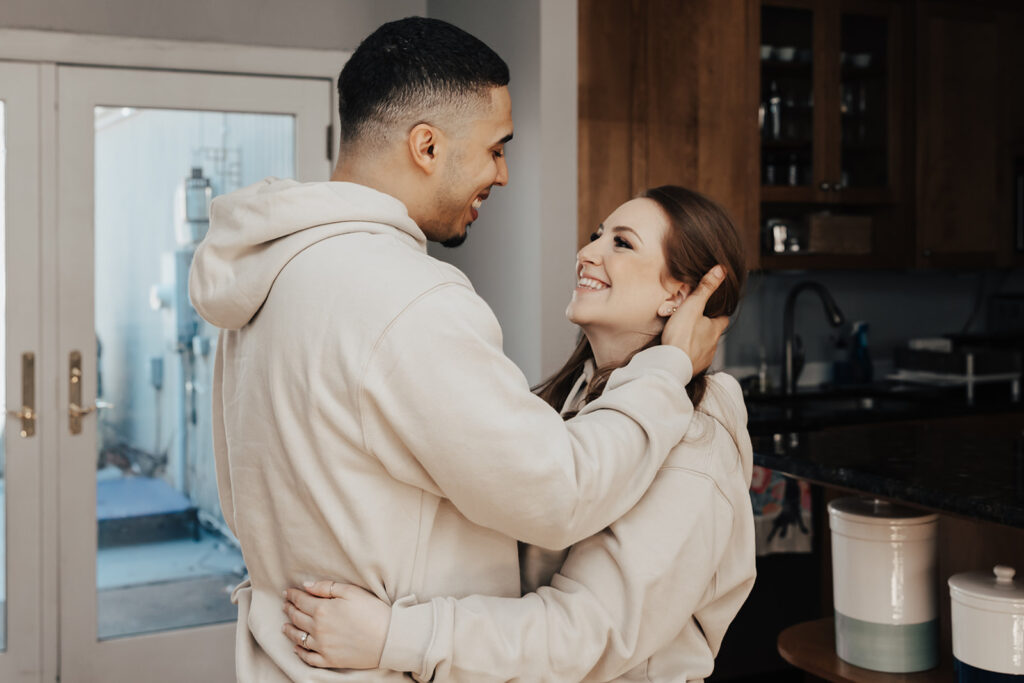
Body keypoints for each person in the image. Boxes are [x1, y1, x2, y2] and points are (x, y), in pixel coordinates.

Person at [188, 18, 728, 683]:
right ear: (426, 146)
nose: (501, 175)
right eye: (496, 148)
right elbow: (561, 493)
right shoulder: (408, 299)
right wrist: (670, 366)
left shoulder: (273, 277)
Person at [281, 186, 756, 682]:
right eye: (597, 236)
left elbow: (587, 632)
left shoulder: (698, 434)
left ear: (677, 296)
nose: (587, 252)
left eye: (622, 243)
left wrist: (393, 637)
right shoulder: (579, 398)